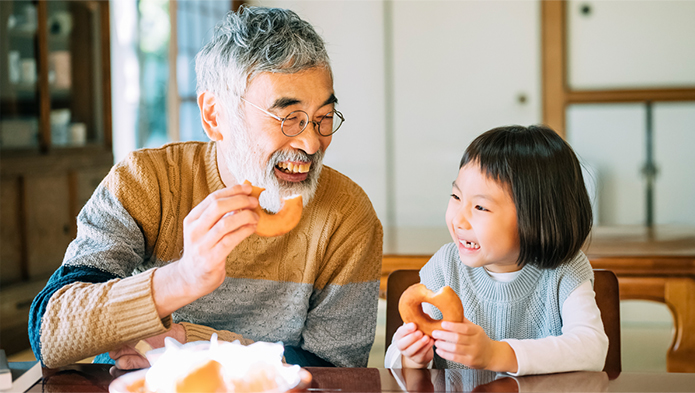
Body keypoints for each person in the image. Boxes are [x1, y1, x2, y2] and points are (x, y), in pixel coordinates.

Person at [29, 6, 382, 369]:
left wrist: (193, 345)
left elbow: (338, 369)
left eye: (323, 118)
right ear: (215, 116)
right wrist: (181, 278)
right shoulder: (147, 182)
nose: (311, 143)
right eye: (289, 118)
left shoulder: (347, 214)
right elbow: (48, 332)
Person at [384, 125, 608, 375]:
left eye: (480, 207)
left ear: (538, 218)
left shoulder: (564, 269)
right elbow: (396, 358)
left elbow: (592, 348)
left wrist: (495, 354)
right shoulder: (446, 266)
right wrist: (413, 358)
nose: (459, 220)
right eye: (456, 197)